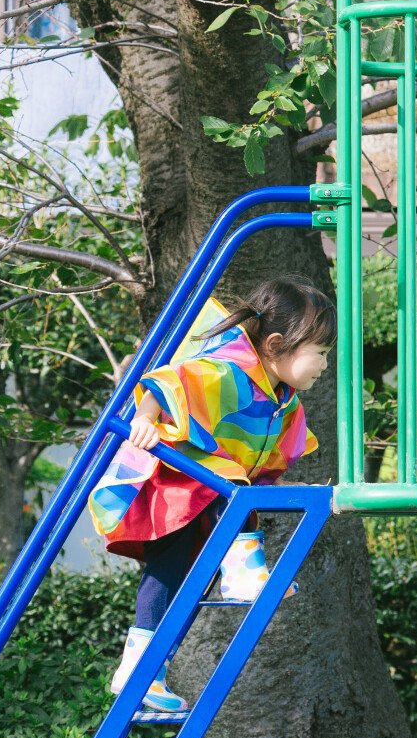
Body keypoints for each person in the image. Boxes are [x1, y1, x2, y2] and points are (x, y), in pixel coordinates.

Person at [88, 275, 334, 712]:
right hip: (176, 484)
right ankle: (241, 571)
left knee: (178, 582)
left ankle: (141, 672)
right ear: (277, 343)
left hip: (206, 496)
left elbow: (258, 459)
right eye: (319, 353)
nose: (325, 364)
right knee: (221, 503)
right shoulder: (227, 368)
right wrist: (145, 417)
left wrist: (289, 488)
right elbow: (168, 380)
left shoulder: (281, 397)